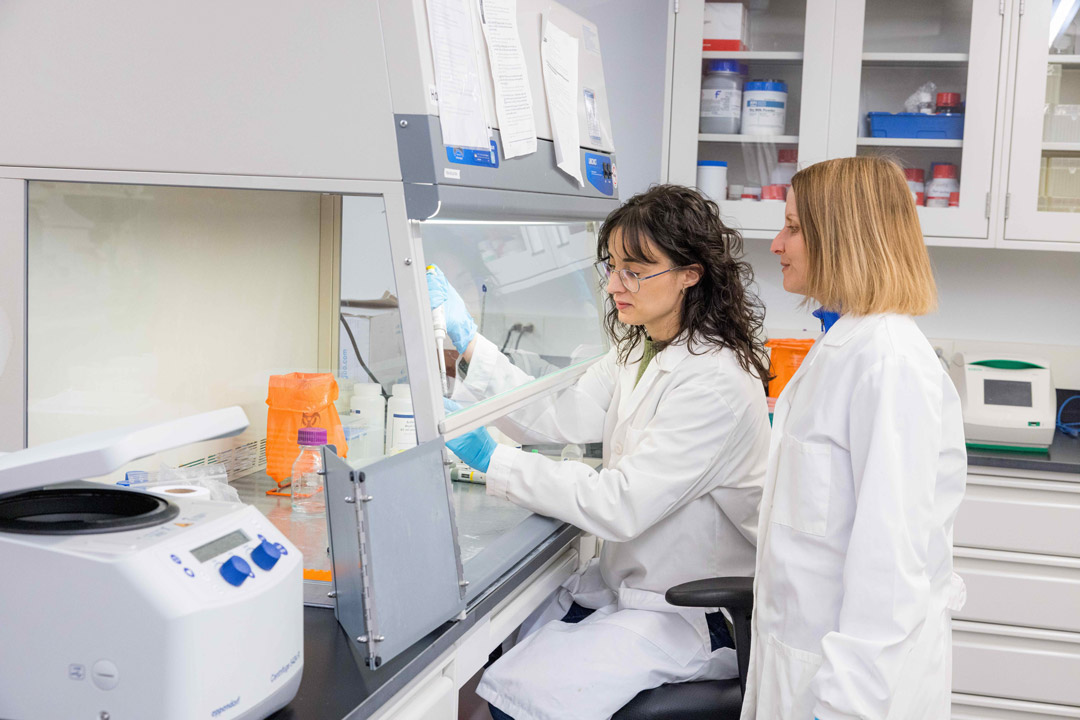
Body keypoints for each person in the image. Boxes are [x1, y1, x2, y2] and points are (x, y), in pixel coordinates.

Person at [426, 184, 772, 720]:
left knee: (521, 698)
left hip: (686, 612)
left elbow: (621, 504)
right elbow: (559, 415)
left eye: (636, 270)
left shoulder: (716, 381)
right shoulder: (642, 346)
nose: (615, 284)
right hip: (632, 593)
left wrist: (497, 461)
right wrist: (470, 345)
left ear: (691, 273)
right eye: (611, 266)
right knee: (507, 666)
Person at [742, 156, 967, 720]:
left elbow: (889, 567)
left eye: (793, 227)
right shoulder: (843, 343)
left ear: (842, 238)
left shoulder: (889, 361)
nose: (776, 243)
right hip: (801, 661)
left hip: (851, 692)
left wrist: (845, 708)